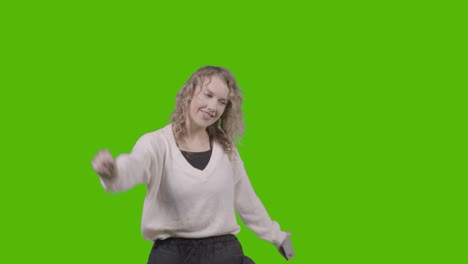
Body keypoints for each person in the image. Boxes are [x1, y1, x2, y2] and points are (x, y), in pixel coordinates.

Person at [91, 66, 295, 263]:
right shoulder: (157, 143)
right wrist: (112, 172)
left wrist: (277, 237)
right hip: (173, 255)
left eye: (222, 102)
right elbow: (133, 166)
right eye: (208, 95)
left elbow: (246, 199)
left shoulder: (227, 149)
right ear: (189, 93)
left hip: (223, 254)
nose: (213, 107)